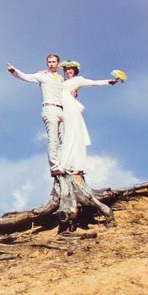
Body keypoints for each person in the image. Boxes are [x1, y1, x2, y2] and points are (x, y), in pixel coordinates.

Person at [57, 61, 123, 222]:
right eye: (66, 70)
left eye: (70, 70)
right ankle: (67, 163)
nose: (68, 72)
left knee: (74, 133)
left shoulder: (78, 80)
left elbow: (93, 83)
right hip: (63, 108)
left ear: (75, 70)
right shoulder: (62, 82)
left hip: (71, 108)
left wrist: (109, 81)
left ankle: (75, 166)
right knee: (66, 135)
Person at [6, 53, 67, 172]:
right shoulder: (43, 75)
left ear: (58, 63)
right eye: (49, 62)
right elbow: (27, 77)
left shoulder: (60, 78)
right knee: (53, 139)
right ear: (46, 63)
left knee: (64, 139)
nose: (51, 64)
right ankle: (54, 166)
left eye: (54, 62)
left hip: (61, 109)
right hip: (50, 108)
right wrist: (14, 71)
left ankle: (64, 164)